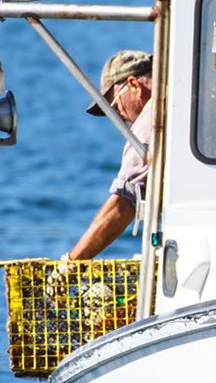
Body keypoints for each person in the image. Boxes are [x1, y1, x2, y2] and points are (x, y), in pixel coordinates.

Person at [63, 50, 153, 261]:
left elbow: (124, 202)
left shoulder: (152, 120)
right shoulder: (198, 94)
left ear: (134, 85)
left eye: (115, 107)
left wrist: (71, 263)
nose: (119, 118)